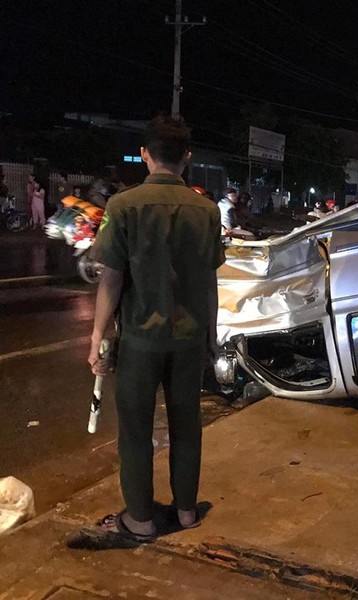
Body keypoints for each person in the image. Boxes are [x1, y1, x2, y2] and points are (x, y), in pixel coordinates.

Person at [87, 115, 226, 542]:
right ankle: (186, 512)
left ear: (145, 154)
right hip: (188, 340)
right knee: (187, 425)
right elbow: (209, 282)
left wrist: (97, 337)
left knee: (135, 430)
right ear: (187, 157)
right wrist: (212, 337)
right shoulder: (206, 210)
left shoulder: (122, 207)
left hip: (140, 343)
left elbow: (110, 277)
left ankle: (142, 519)